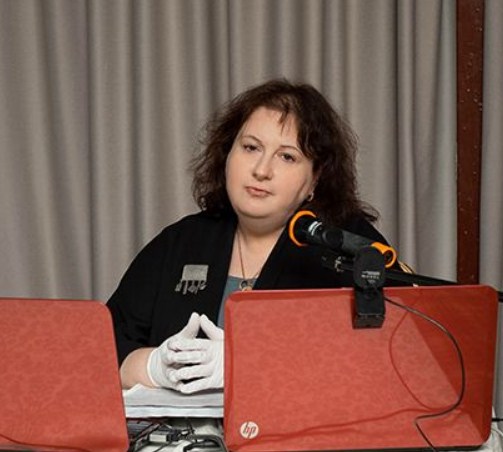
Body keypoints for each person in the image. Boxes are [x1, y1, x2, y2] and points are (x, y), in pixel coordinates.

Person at [107, 78, 399, 394]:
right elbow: (101, 350)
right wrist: (153, 367)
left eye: (287, 157)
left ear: (316, 178)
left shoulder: (351, 247)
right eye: (251, 147)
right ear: (227, 154)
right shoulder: (180, 242)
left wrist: (251, 363)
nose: (261, 170)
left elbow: (390, 362)